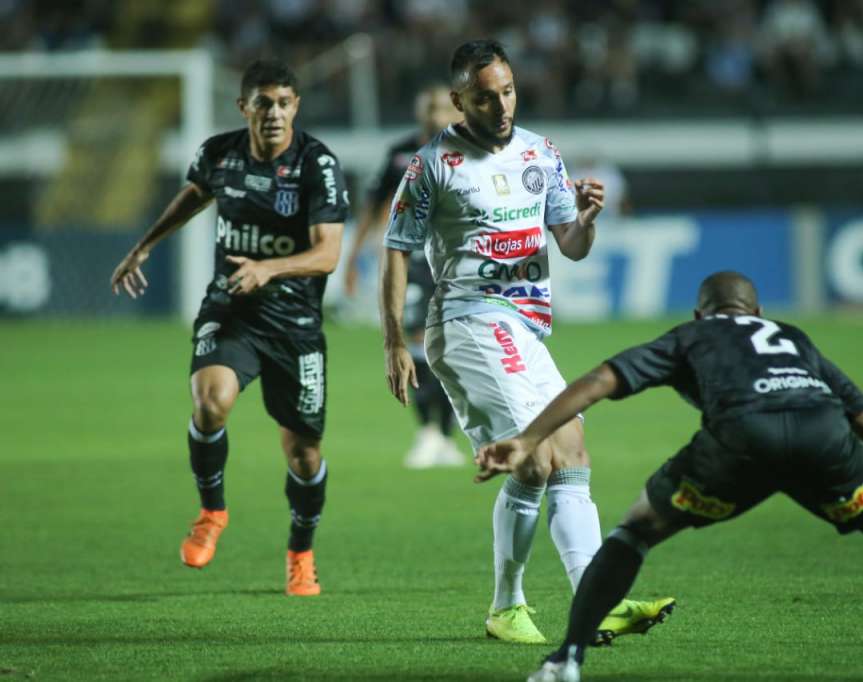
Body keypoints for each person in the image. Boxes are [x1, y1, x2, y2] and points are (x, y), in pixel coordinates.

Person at [475, 271, 863, 682]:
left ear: (701, 313)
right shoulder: (793, 337)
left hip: (741, 444)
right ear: (758, 313)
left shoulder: (691, 335)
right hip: (821, 438)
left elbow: (599, 381)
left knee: (636, 529)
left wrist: (528, 437)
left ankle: (567, 661)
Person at [379, 39, 674, 644]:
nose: (502, 105)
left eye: (508, 91)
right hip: (467, 321)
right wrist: (391, 342)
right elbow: (397, 251)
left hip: (526, 327)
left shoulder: (542, 153)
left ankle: (592, 601)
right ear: (460, 100)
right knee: (536, 455)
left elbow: (570, 243)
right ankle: (508, 606)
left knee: (570, 451)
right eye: (485, 98)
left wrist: (587, 219)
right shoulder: (434, 163)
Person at [110, 59, 349, 597]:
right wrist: (145, 245)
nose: (274, 113)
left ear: (296, 107)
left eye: (284, 102)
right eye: (263, 102)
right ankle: (212, 511)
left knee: (304, 455)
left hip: (296, 323)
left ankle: (300, 551)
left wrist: (269, 268)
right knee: (209, 401)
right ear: (244, 107)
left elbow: (328, 252)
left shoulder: (317, 164)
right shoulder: (219, 154)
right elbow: (195, 194)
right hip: (233, 310)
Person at [343, 83, 464, 469]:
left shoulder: (473, 152)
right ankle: (428, 430)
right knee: (415, 338)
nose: (435, 112)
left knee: (449, 349)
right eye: (429, 105)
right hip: (409, 260)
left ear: (458, 111)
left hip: (456, 264)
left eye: (443, 106)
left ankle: (443, 436)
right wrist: (352, 258)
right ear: (419, 112)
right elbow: (373, 205)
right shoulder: (400, 153)